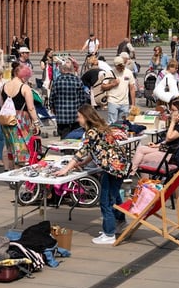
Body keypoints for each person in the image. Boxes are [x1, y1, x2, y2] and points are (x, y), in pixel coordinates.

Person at [54, 104, 130, 245]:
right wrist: (82, 164)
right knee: (114, 196)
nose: (78, 120)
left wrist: (66, 169)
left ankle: (109, 234)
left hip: (112, 169)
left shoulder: (91, 132)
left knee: (106, 200)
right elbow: (96, 150)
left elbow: (82, 151)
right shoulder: (101, 128)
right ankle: (120, 222)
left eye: (79, 117)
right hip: (121, 166)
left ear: (86, 118)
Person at [131, 99, 179, 173]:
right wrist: (157, 145)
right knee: (141, 149)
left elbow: (169, 138)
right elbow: (168, 140)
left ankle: (140, 178)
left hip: (174, 155)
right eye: (171, 110)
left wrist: (172, 122)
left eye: (173, 110)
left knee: (143, 159)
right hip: (167, 149)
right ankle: (131, 172)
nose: (171, 112)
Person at [0, 63, 41, 168]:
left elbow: (1, 105)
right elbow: (31, 108)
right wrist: (36, 123)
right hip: (21, 121)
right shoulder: (25, 88)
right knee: (22, 148)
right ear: (23, 76)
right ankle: (20, 178)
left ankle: (10, 173)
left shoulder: (3, 87)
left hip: (7, 119)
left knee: (10, 147)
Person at [49, 59, 87, 138]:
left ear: (62, 70)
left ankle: (66, 150)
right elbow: (83, 98)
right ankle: (73, 150)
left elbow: (52, 97)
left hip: (61, 115)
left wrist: (52, 107)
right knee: (76, 136)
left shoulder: (57, 81)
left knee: (64, 136)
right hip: (75, 115)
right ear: (71, 69)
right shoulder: (77, 81)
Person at [101, 56, 135, 125]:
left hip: (125, 102)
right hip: (113, 101)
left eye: (122, 66)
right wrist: (113, 84)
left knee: (123, 124)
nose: (121, 68)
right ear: (115, 66)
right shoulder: (110, 73)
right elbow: (103, 86)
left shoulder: (128, 73)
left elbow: (132, 88)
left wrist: (133, 104)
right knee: (112, 124)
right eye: (118, 67)